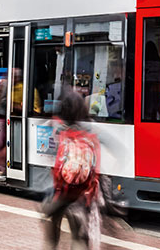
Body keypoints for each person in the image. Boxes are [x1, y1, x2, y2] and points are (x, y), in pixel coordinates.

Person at [43, 90, 101, 250]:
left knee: (51, 232)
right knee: (78, 236)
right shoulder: (89, 132)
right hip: (82, 195)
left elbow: (50, 161)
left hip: (60, 192)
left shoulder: (56, 128)